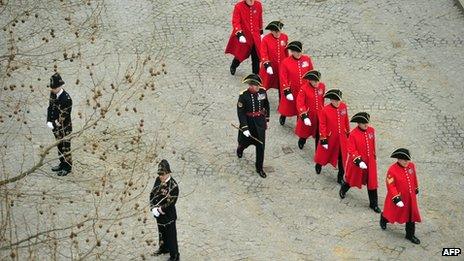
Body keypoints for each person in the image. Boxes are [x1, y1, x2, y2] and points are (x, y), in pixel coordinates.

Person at [339, 112, 380, 213]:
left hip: (370, 163)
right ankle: (343, 189)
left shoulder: (371, 131)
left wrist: (373, 156)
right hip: (357, 163)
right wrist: (359, 160)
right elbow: (351, 150)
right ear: (358, 123)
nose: (366, 124)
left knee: (372, 183)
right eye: (363, 123)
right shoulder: (353, 134)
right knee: (351, 180)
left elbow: (372, 145)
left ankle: (373, 204)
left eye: (367, 122)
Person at [380, 148, 421, 244]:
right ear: (398, 159)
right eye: (405, 160)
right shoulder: (392, 170)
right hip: (399, 198)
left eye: (408, 160)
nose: (407, 162)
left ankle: (410, 235)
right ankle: (384, 218)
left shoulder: (411, 166)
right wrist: (396, 198)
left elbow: (414, 177)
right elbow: (391, 185)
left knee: (411, 215)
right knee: (393, 214)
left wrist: (415, 187)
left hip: (410, 198)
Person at [236, 74, 270, 178]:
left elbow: (266, 105)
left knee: (261, 146)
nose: (255, 87)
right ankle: (240, 148)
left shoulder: (262, 92)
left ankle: (259, 167)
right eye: (253, 85)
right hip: (248, 123)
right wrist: (244, 127)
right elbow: (241, 113)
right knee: (244, 142)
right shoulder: (243, 96)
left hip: (259, 124)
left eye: (257, 85)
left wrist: (266, 118)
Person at [314, 89, 349, 184]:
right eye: (335, 100)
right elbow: (322, 125)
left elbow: (346, 120)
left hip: (341, 138)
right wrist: (323, 138)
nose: (337, 102)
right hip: (330, 138)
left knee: (342, 158)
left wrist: (348, 132)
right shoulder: (325, 110)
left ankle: (340, 176)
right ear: (331, 100)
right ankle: (319, 164)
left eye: (338, 100)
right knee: (324, 154)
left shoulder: (343, 107)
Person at [150, 160, 180, 260]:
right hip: (159, 215)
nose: (161, 176)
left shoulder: (173, 185)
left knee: (171, 236)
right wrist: (153, 207)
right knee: (161, 233)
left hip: (168, 215)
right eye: (159, 174)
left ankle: (174, 255)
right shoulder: (158, 180)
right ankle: (163, 248)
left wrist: (159, 209)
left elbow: (171, 203)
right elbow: (152, 194)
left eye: (162, 174)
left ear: (168, 173)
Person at [278, 41, 314, 125]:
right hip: (292, 89)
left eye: (299, 52)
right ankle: (283, 115)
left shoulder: (307, 59)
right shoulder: (285, 62)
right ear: (292, 52)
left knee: (302, 105)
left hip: (304, 89)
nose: (298, 54)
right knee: (288, 106)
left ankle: (299, 122)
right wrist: (287, 90)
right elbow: (283, 77)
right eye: (296, 52)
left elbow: (311, 72)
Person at [225, 0, 263, 75]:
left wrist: (261, 32)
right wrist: (240, 34)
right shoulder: (238, 6)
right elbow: (236, 22)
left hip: (255, 37)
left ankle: (255, 77)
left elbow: (260, 19)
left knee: (256, 58)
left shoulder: (258, 5)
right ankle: (234, 65)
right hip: (244, 37)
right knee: (240, 55)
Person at [46, 73, 73, 176]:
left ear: (60, 86)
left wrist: (54, 124)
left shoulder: (67, 99)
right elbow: (50, 108)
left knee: (66, 147)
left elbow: (63, 116)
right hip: (55, 127)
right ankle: (62, 163)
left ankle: (68, 167)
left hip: (64, 127)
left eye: (55, 88)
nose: (53, 90)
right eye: (52, 88)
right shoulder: (53, 94)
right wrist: (48, 120)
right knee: (59, 146)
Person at [295, 70, 325, 150]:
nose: (317, 83)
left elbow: (322, 99)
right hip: (309, 115)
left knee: (319, 133)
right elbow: (300, 102)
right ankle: (302, 139)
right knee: (305, 131)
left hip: (319, 114)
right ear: (310, 80)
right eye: (314, 81)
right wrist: (304, 115)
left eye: (317, 81)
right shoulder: (304, 89)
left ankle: (317, 151)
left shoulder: (322, 86)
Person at [258, 21, 288, 93]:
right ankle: (263, 102)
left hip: (280, 66)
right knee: (264, 85)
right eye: (276, 32)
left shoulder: (284, 37)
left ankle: (281, 102)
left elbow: (286, 51)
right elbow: (263, 53)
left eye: (279, 31)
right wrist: (267, 65)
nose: (278, 33)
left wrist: (287, 62)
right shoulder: (265, 39)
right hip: (269, 66)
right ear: (271, 31)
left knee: (282, 85)